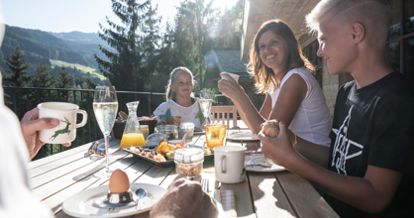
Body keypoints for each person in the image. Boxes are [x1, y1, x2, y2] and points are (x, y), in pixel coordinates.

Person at [259, 0, 414, 217]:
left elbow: (375, 198)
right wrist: (291, 140)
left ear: (355, 33)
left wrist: (293, 161)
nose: (320, 52)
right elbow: (333, 160)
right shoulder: (345, 92)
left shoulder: (398, 100)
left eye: (323, 39)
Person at [218, 19, 331, 147]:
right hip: (293, 156)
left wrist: (239, 94)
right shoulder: (276, 84)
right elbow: (259, 128)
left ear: (288, 44)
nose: (267, 50)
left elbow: (270, 135)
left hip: (313, 160)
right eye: (262, 46)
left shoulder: (296, 78)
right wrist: (235, 95)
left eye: (274, 42)